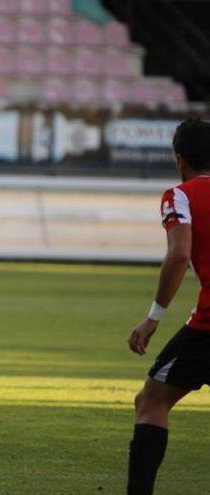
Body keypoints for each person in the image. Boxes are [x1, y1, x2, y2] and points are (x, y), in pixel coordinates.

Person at [126, 118, 210, 494]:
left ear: (180, 159)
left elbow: (178, 256)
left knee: (152, 400)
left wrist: (153, 318)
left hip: (208, 326)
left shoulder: (181, 196)